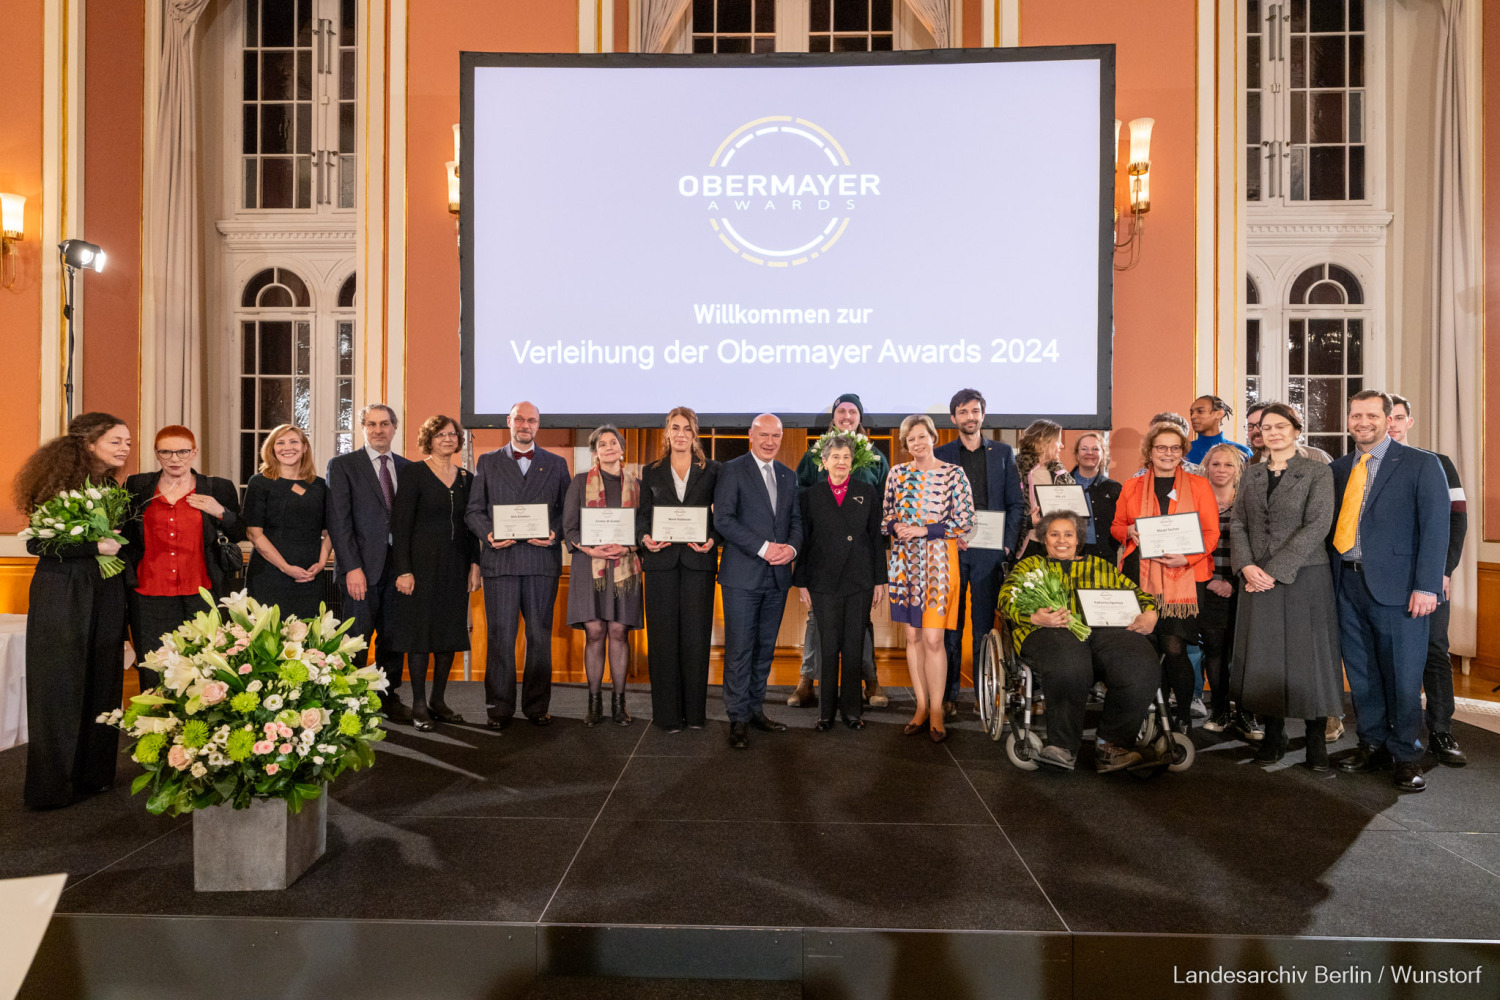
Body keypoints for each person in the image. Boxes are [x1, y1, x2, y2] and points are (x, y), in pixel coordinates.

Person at [1330, 390, 1449, 792]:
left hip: (1400, 589)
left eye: (1370, 415)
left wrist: (1427, 586)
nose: (1362, 422)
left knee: (1402, 676)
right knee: (1361, 674)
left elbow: (1437, 529)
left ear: (1387, 418)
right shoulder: (1340, 468)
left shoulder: (1421, 464)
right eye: (1355, 415)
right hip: (1347, 582)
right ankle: (1373, 743)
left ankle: (1407, 754)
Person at [14, 413, 132, 809]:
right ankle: (52, 786)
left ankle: (94, 776)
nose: (124, 448)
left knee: (103, 679)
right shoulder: (56, 486)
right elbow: (37, 545)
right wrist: (92, 547)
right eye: (116, 441)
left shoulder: (108, 486)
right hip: (63, 591)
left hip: (106, 590)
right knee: (60, 684)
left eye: (127, 442)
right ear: (89, 443)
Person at [1000, 512, 1161, 772]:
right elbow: (1006, 599)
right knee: (1069, 661)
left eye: (1068, 534)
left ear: (1078, 540)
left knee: (1140, 665)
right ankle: (1062, 747)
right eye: (1054, 534)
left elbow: (1137, 594)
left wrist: (1150, 612)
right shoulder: (1029, 567)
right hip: (1049, 631)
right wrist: (1034, 616)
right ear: (1044, 539)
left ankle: (1112, 744)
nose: (1061, 540)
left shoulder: (1101, 567)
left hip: (1103, 632)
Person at [1229, 403, 1341, 769]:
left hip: (1304, 576)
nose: (1273, 432)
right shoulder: (1252, 474)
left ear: (1296, 430)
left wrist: (1274, 570)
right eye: (1266, 427)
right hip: (1255, 577)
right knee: (1266, 658)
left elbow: (1318, 526)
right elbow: (1239, 524)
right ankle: (1273, 736)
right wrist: (1246, 566)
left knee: (1309, 658)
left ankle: (1315, 742)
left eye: (1281, 426)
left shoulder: (1316, 472)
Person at [464, 401, 571, 729]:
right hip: (501, 561)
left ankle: (537, 707)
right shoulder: (487, 462)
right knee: (500, 637)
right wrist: (490, 535)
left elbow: (568, 512)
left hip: (541, 562)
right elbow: (473, 511)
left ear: (539, 425)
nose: (525, 425)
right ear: (509, 422)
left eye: (532, 420)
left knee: (539, 638)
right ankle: (499, 709)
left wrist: (554, 533)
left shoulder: (556, 463)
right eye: (520, 419)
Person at [1111, 421, 1220, 733]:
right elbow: (1117, 527)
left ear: (1182, 452)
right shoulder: (1131, 487)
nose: (1168, 453)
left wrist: (1186, 557)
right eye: (1162, 447)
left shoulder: (1200, 487)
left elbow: (1211, 534)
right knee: (1146, 647)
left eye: (1175, 448)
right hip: (1139, 574)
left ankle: (1183, 716)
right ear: (1150, 451)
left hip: (1184, 574)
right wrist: (1128, 531)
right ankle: (1150, 713)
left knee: (1174, 647)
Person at [788, 393, 890, 709]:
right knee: (817, 618)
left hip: (860, 555)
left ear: (860, 418)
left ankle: (869, 680)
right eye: (841, 411)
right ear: (833, 417)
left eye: (852, 411)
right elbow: (799, 497)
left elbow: (886, 502)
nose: (847, 416)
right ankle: (807, 680)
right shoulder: (815, 454)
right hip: (823, 554)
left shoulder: (875, 456)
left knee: (861, 621)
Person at [123, 426, 244, 691]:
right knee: (155, 666)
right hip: (149, 592)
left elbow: (238, 531)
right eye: (166, 452)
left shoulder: (218, 487)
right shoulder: (138, 486)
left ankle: (196, 727)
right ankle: (155, 727)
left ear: (194, 452)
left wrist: (220, 511)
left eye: (182, 451)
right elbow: (126, 535)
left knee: (204, 665)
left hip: (202, 590)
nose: (174, 458)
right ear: (157, 454)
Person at [933, 388, 1027, 719]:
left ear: (983, 416)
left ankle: (984, 696)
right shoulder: (941, 453)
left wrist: (1006, 544)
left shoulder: (1003, 452)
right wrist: (948, 535)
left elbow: (1016, 504)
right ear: (953, 417)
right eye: (963, 412)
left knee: (985, 627)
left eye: (975, 411)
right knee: (950, 628)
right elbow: (934, 505)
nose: (969, 417)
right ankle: (947, 696)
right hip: (951, 550)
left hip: (990, 550)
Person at [882, 414, 975, 743]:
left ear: (933, 437)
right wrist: (898, 528)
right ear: (905, 445)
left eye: (922, 436)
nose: (917, 443)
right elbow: (887, 516)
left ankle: (937, 710)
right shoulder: (897, 473)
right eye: (911, 439)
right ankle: (920, 706)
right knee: (914, 638)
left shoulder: (953, 474)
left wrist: (924, 529)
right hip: (904, 563)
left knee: (934, 639)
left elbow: (965, 521)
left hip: (939, 563)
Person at [714, 413, 803, 750]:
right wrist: (764, 548)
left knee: (765, 651)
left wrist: (791, 550)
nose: (769, 442)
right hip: (741, 576)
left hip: (778, 578)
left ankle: (754, 710)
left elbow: (796, 522)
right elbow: (723, 519)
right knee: (739, 650)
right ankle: (736, 718)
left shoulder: (788, 475)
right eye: (763, 435)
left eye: (775, 436)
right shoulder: (732, 470)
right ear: (751, 435)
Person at [1388, 394, 1468, 766]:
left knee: (1435, 651)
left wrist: (1443, 571)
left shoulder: (1438, 464)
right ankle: (1391, 730)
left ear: (1409, 422)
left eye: (1398, 417)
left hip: (1430, 576)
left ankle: (1440, 730)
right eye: (1385, 417)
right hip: (1384, 579)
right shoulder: (1360, 466)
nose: (1391, 424)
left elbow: (1456, 521)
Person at [389, 415, 481, 731]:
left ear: (458, 440)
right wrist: (403, 570)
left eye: (452, 434)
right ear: (429, 439)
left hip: (456, 568)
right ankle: (418, 703)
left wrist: (475, 564)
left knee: (447, 636)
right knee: (420, 637)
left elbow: (473, 526)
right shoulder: (413, 473)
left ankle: (438, 701)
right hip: (419, 568)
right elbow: (399, 527)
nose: (447, 439)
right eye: (440, 434)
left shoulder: (468, 478)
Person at [637, 407, 720, 733]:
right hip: (660, 563)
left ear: (694, 433)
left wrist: (713, 539)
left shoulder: (712, 470)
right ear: (667, 433)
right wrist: (644, 537)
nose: (681, 433)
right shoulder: (652, 470)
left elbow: (722, 515)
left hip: (698, 561)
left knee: (696, 639)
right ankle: (667, 716)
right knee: (662, 639)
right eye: (675, 427)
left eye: (687, 428)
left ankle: (695, 716)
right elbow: (644, 515)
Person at [326, 404, 412, 719]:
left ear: (394, 427)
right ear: (362, 427)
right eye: (371, 424)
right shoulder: (343, 465)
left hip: (398, 568)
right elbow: (339, 522)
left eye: (385, 424)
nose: (378, 430)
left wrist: (409, 568)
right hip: (360, 568)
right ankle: (350, 700)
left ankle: (388, 697)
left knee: (393, 636)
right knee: (356, 637)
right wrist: (352, 568)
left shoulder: (407, 468)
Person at [564, 425, 644, 727]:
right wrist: (591, 550)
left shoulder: (637, 486)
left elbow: (643, 529)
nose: (609, 447)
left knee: (618, 633)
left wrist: (628, 546)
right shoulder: (580, 482)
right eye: (602, 444)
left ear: (622, 449)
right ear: (595, 451)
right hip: (590, 567)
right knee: (595, 632)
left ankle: (619, 703)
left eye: (614, 442)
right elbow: (569, 528)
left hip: (625, 568)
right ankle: (594, 702)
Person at [1197, 443, 1262, 742]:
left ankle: (1246, 714)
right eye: (1215, 464)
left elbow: (1258, 549)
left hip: (1244, 587)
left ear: (1238, 470)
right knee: (1215, 651)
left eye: (1228, 465)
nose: (1221, 470)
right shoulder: (1195, 503)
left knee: (1245, 654)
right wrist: (1210, 580)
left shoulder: (1248, 504)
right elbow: (1186, 546)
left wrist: (1233, 583)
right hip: (1207, 586)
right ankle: (1220, 710)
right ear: (1206, 467)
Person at [244, 425, 333, 622]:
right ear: (272, 449)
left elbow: (329, 532)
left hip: (310, 573)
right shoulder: (259, 483)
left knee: (309, 638)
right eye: (280, 442)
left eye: (294, 442)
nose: (287, 447)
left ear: (304, 448)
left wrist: (321, 563)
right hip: (269, 572)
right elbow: (254, 534)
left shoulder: (320, 486)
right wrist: (285, 567)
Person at [1016, 419, 1073, 560]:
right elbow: (1004, 508)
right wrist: (1028, 521)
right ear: (1044, 441)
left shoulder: (1061, 472)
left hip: (1056, 545)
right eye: (1058, 440)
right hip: (1026, 543)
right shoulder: (1015, 468)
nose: (1062, 445)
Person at [1069, 432, 1121, 564]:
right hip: (1069, 555)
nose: (1089, 453)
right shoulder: (1062, 485)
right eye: (1084, 449)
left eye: (1095, 449)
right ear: (1076, 454)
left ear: (1103, 454)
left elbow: (1121, 524)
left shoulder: (1114, 488)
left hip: (1105, 558)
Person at [1247, 401, 1333, 466]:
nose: (1255, 431)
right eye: (1250, 426)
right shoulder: (1248, 464)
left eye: (1260, 425)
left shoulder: (1316, 457)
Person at [1186, 395, 1252, 465]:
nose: (1193, 416)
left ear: (1219, 414)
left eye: (1200, 411)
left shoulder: (1242, 452)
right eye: (1191, 413)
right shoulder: (1182, 451)